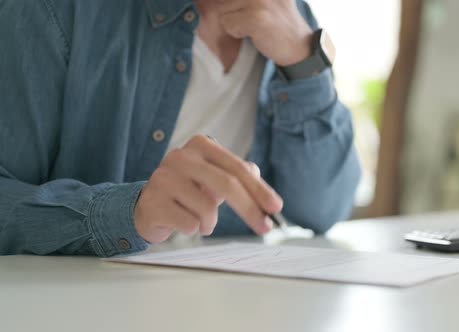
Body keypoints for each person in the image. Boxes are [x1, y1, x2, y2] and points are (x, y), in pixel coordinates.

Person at [0, 0, 361, 257]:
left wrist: (302, 60)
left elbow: (323, 208)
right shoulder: (53, 10)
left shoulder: (291, 14)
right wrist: (128, 213)